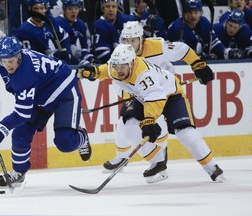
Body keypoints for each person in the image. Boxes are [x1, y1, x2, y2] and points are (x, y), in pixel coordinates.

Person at [78, 22, 227, 183]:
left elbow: (155, 96)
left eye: (133, 40)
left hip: (170, 95)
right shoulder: (118, 62)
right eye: (117, 66)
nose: (119, 70)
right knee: (127, 127)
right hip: (144, 96)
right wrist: (93, 72)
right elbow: (105, 70)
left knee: (186, 134)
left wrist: (149, 119)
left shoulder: (143, 71)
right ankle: (158, 160)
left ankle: (213, 169)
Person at [0, 36, 92, 188]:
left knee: (65, 142)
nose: (7, 65)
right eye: (4, 61)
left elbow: (21, 114)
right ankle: (18, 173)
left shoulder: (26, 75)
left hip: (63, 91)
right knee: (21, 133)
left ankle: (82, 137)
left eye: (11, 61)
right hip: (39, 94)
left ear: (19, 56)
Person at [54, 0, 95, 65]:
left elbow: (84, 46)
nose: (73, 12)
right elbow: (63, 51)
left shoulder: (80, 23)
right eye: (70, 9)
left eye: (76, 8)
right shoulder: (57, 23)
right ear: (64, 9)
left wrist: (88, 57)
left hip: (75, 58)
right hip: (60, 60)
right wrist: (79, 62)